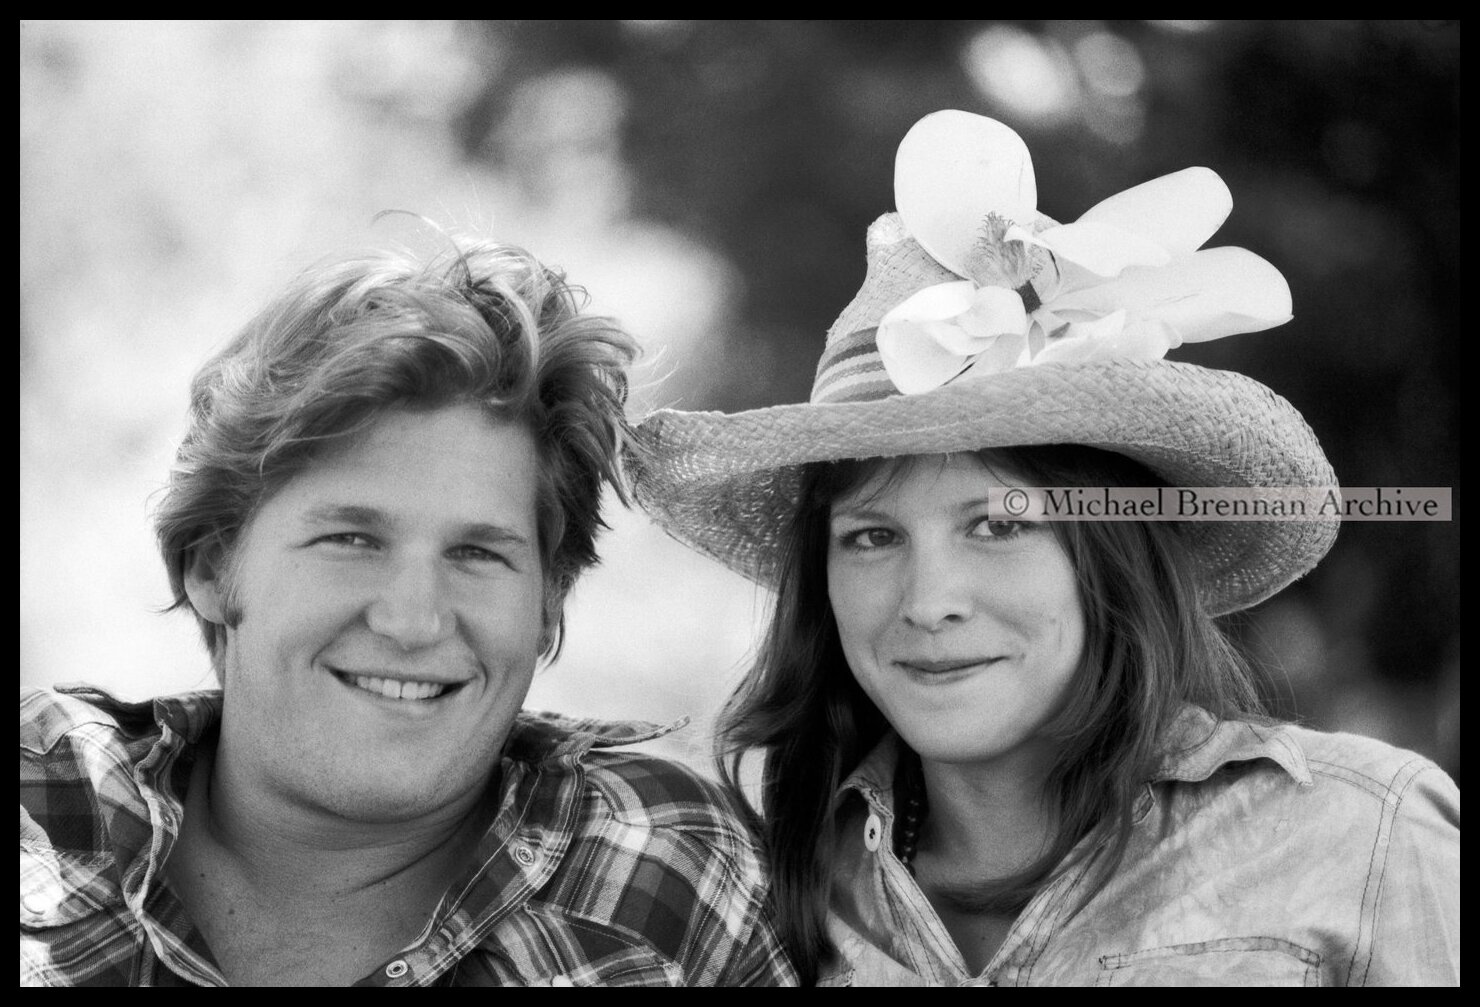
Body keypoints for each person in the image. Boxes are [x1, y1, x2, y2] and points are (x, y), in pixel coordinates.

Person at [632, 111, 1460, 986]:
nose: (929, 601)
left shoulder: (1368, 842)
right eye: (872, 536)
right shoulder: (752, 892)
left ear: (1111, 553)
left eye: (998, 524)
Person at [20, 236, 796, 987]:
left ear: (549, 601)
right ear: (212, 566)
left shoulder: (667, 876)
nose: (414, 620)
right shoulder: (45, 800)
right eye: (352, 539)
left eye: (477, 553)